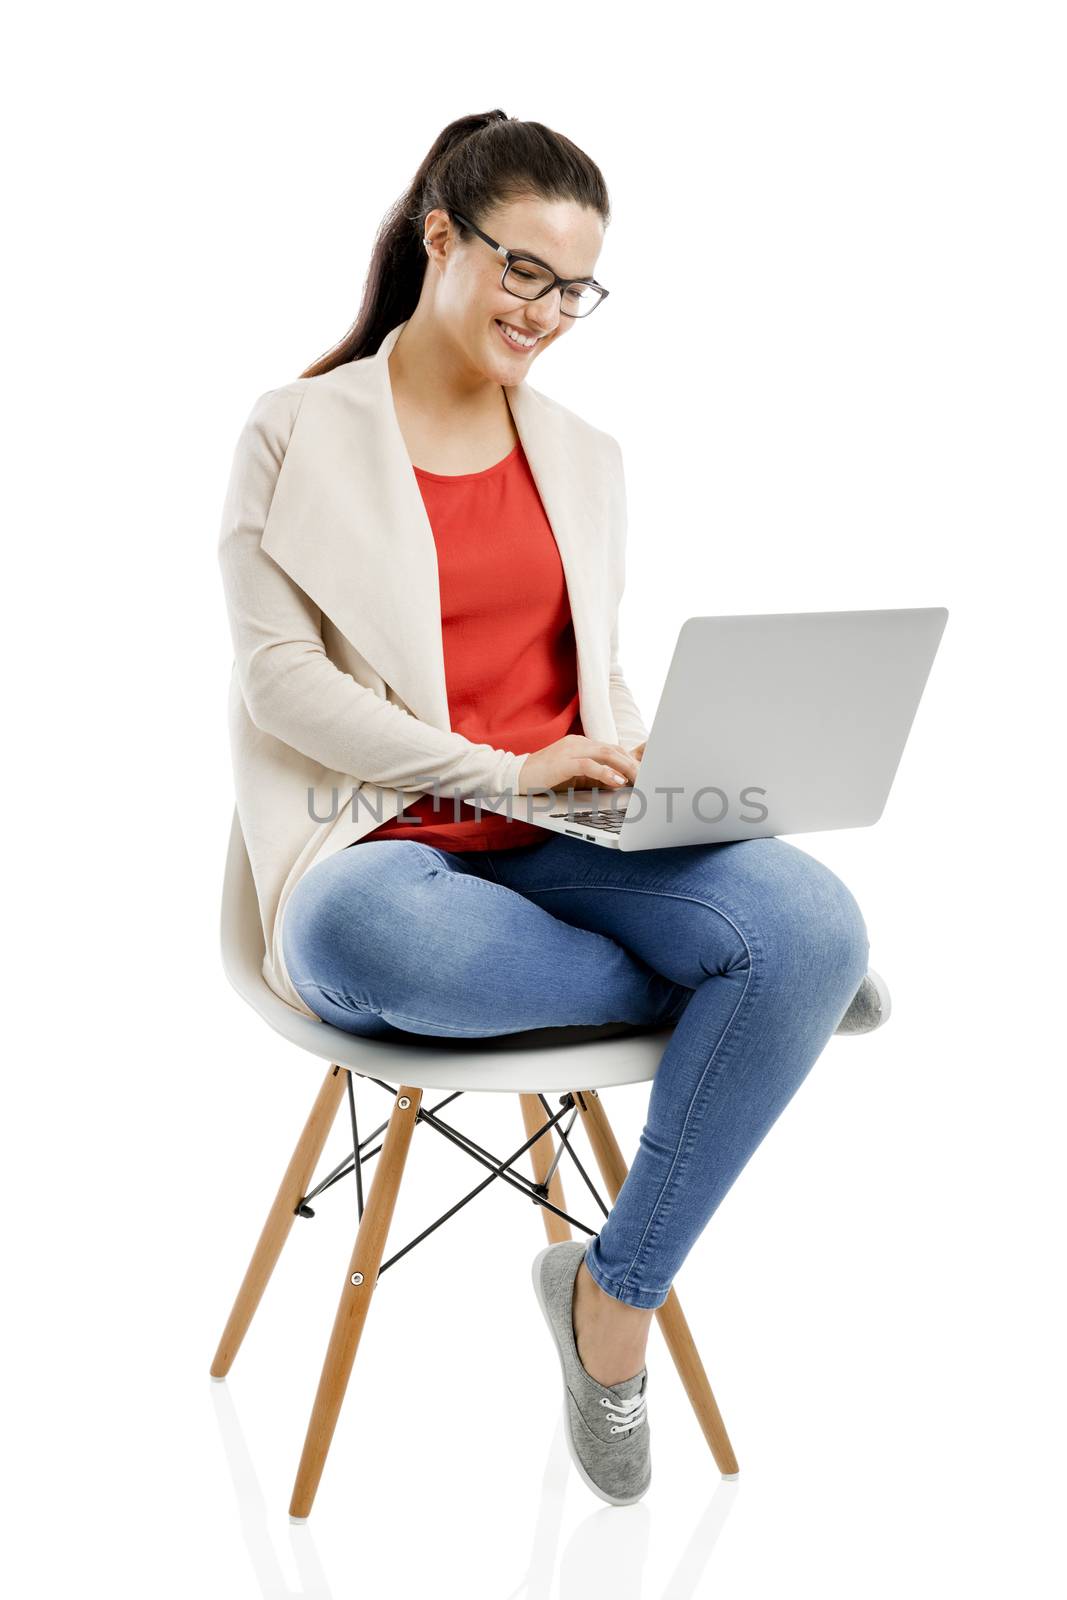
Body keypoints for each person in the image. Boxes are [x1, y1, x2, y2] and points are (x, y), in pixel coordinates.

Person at [219, 109, 871, 1506]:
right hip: (372, 852)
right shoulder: (295, 428)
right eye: (527, 273)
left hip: (565, 848)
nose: (551, 314)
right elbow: (283, 690)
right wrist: (504, 771)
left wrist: (634, 765)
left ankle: (610, 1294)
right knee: (407, 950)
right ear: (439, 237)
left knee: (811, 917)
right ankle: (754, 994)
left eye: (577, 289)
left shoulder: (583, 452)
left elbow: (593, 674)